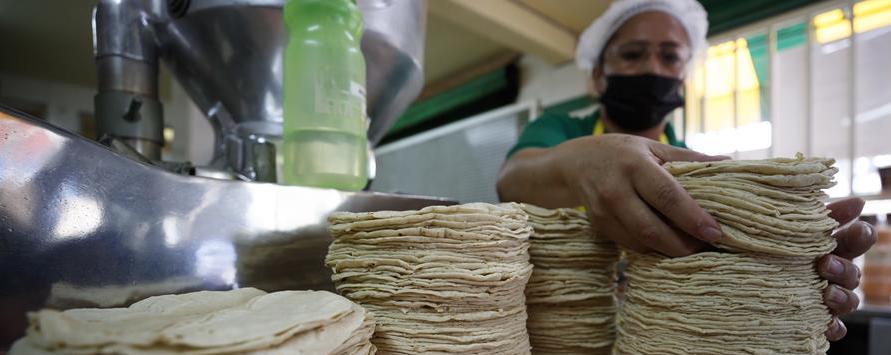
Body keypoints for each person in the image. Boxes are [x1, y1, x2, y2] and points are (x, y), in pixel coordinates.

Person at [497, 0, 876, 341]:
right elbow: (512, 179)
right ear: (598, 76)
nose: (651, 67)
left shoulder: (704, 176)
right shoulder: (560, 129)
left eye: (670, 56)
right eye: (632, 54)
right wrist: (583, 163)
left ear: (684, 76)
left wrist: (784, 277)